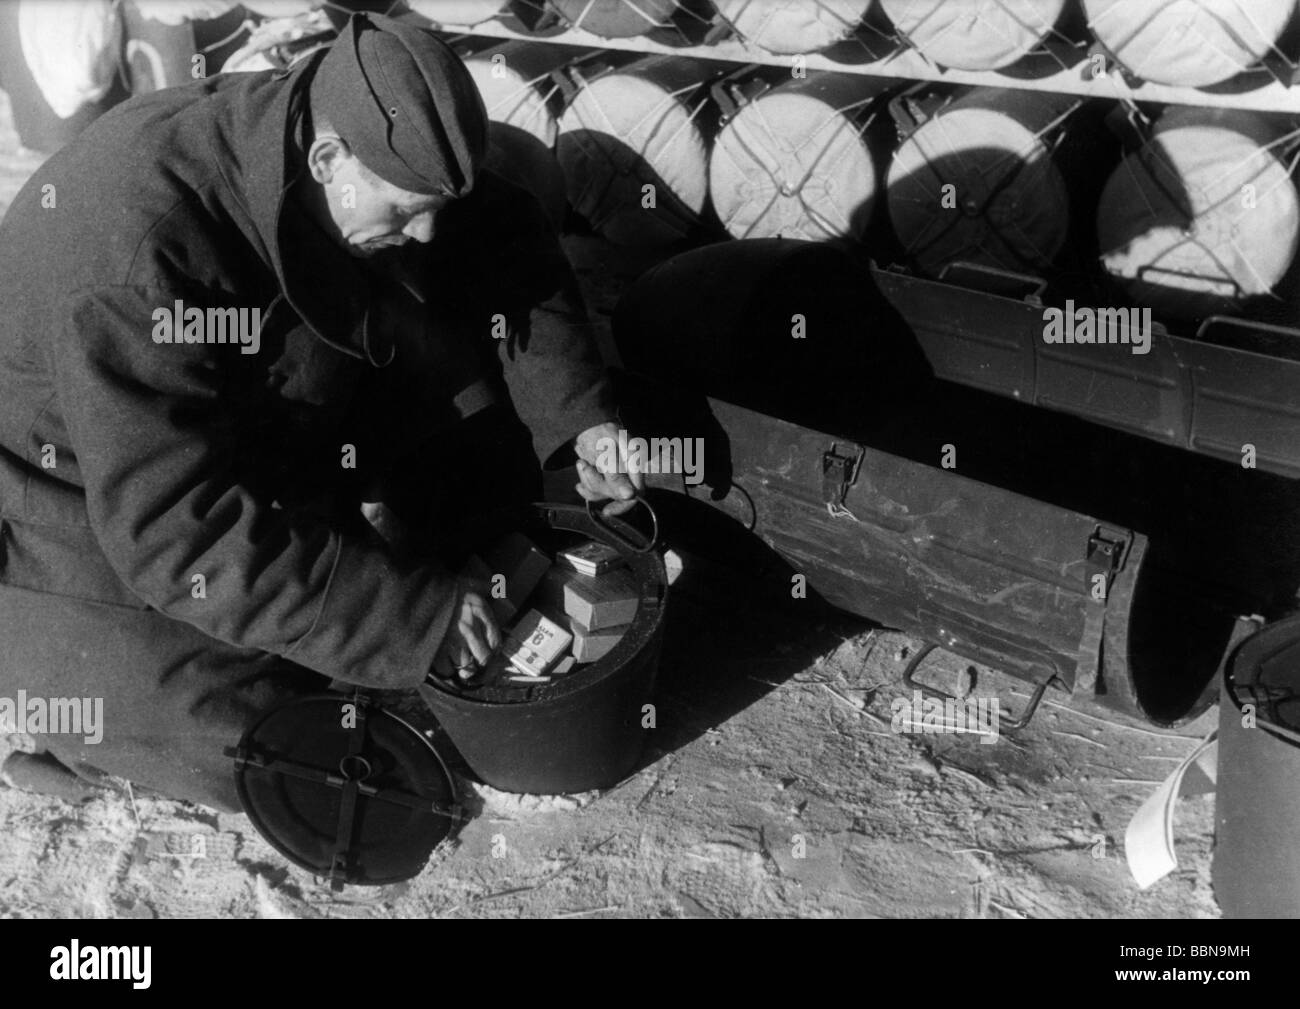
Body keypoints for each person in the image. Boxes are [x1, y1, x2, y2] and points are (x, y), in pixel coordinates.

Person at [0, 12, 641, 811]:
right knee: (272, 740)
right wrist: (414, 621)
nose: (427, 231)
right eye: (405, 212)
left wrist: (584, 419)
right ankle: (66, 719)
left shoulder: (366, 137)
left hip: (240, 415)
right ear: (327, 156)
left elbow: (503, 234)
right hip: (74, 499)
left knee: (461, 502)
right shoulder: (138, 259)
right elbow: (176, 532)